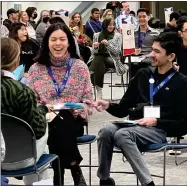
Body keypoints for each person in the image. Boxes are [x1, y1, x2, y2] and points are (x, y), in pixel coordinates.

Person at [93, 32, 187, 186]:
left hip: (159, 130)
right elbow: (123, 109)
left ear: (171, 57)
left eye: (157, 52)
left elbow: (184, 124)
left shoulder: (182, 83)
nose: (151, 55)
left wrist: (156, 121)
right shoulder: (143, 74)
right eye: (152, 50)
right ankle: (104, 179)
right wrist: (108, 105)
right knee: (105, 130)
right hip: (135, 124)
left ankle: (147, 183)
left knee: (123, 134)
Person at [27, 23, 93, 186]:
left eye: (62, 39)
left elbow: (89, 101)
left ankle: (59, 177)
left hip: (73, 120)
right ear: (47, 43)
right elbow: (31, 102)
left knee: (62, 119)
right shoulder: (36, 69)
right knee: (56, 121)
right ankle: (74, 167)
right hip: (44, 120)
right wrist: (43, 109)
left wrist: (81, 110)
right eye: (53, 39)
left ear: (69, 42)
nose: (58, 43)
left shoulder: (80, 67)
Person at [1, 37, 48, 184]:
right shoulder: (22, 91)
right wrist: (43, 111)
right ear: (16, 59)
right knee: (44, 133)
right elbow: (38, 129)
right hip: (20, 158)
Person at [88, 17, 126, 99]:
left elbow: (117, 52)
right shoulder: (96, 35)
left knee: (98, 60)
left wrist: (108, 44)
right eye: (109, 25)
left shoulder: (118, 35)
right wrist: (95, 48)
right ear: (105, 25)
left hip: (112, 59)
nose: (111, 26)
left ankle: (95, 88)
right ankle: (99, 92)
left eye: (113, 25)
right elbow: (93, 53)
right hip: (99, 58)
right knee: (99, 60)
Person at [131, 8, 160, 78]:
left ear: (148, 17)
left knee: (144, 65)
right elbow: (128, 48)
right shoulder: (132, 33)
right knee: (134, 66)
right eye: (139, 17)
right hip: (135, 59)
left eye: (144, 16)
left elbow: (158, 49)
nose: (141, 19)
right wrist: (133, 51)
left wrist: (148, 55)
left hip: (149, 59)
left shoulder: (156, 33)